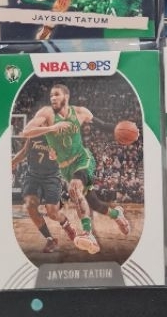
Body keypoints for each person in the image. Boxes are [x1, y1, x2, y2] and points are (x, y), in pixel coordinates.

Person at [21, 84, 131, 254]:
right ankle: (117, 214)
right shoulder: (46, 113)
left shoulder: (80, 112)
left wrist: (123, 130)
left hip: (82, 159)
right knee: (95, 204)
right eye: (51, 95)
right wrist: (51, 128)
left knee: (74, 188)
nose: (53, 98)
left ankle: (88, 234)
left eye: (56, 95)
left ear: (66, 96)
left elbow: (103, 126)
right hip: (65, 168)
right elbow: (26, 132)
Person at [11, 136, 79, 253]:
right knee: (30, 206)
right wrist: (13, 161)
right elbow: (25, 151)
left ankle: (67, 225)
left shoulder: (58, 135)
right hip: (33, 176)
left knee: (53, 213)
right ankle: (50, 240)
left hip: (51, 177)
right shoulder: (34, 134)